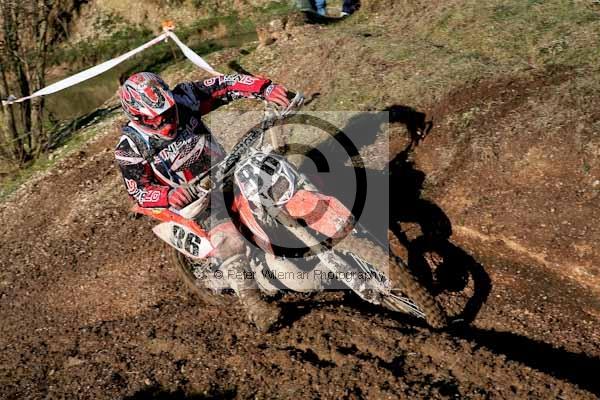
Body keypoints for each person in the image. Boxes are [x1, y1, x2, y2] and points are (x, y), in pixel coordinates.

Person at [114, 71, 295, 331]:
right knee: (228, 237)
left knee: (278, 182)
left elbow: (224, 85)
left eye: (167, 112)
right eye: (155, 117)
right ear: (137, 116)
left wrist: (264, 88)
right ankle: (255, 306)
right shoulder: (129, 147)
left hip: (227, 169)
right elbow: (138, 191)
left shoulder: (184, 98)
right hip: (195, 198)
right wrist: (168, 195)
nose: (165, 120)